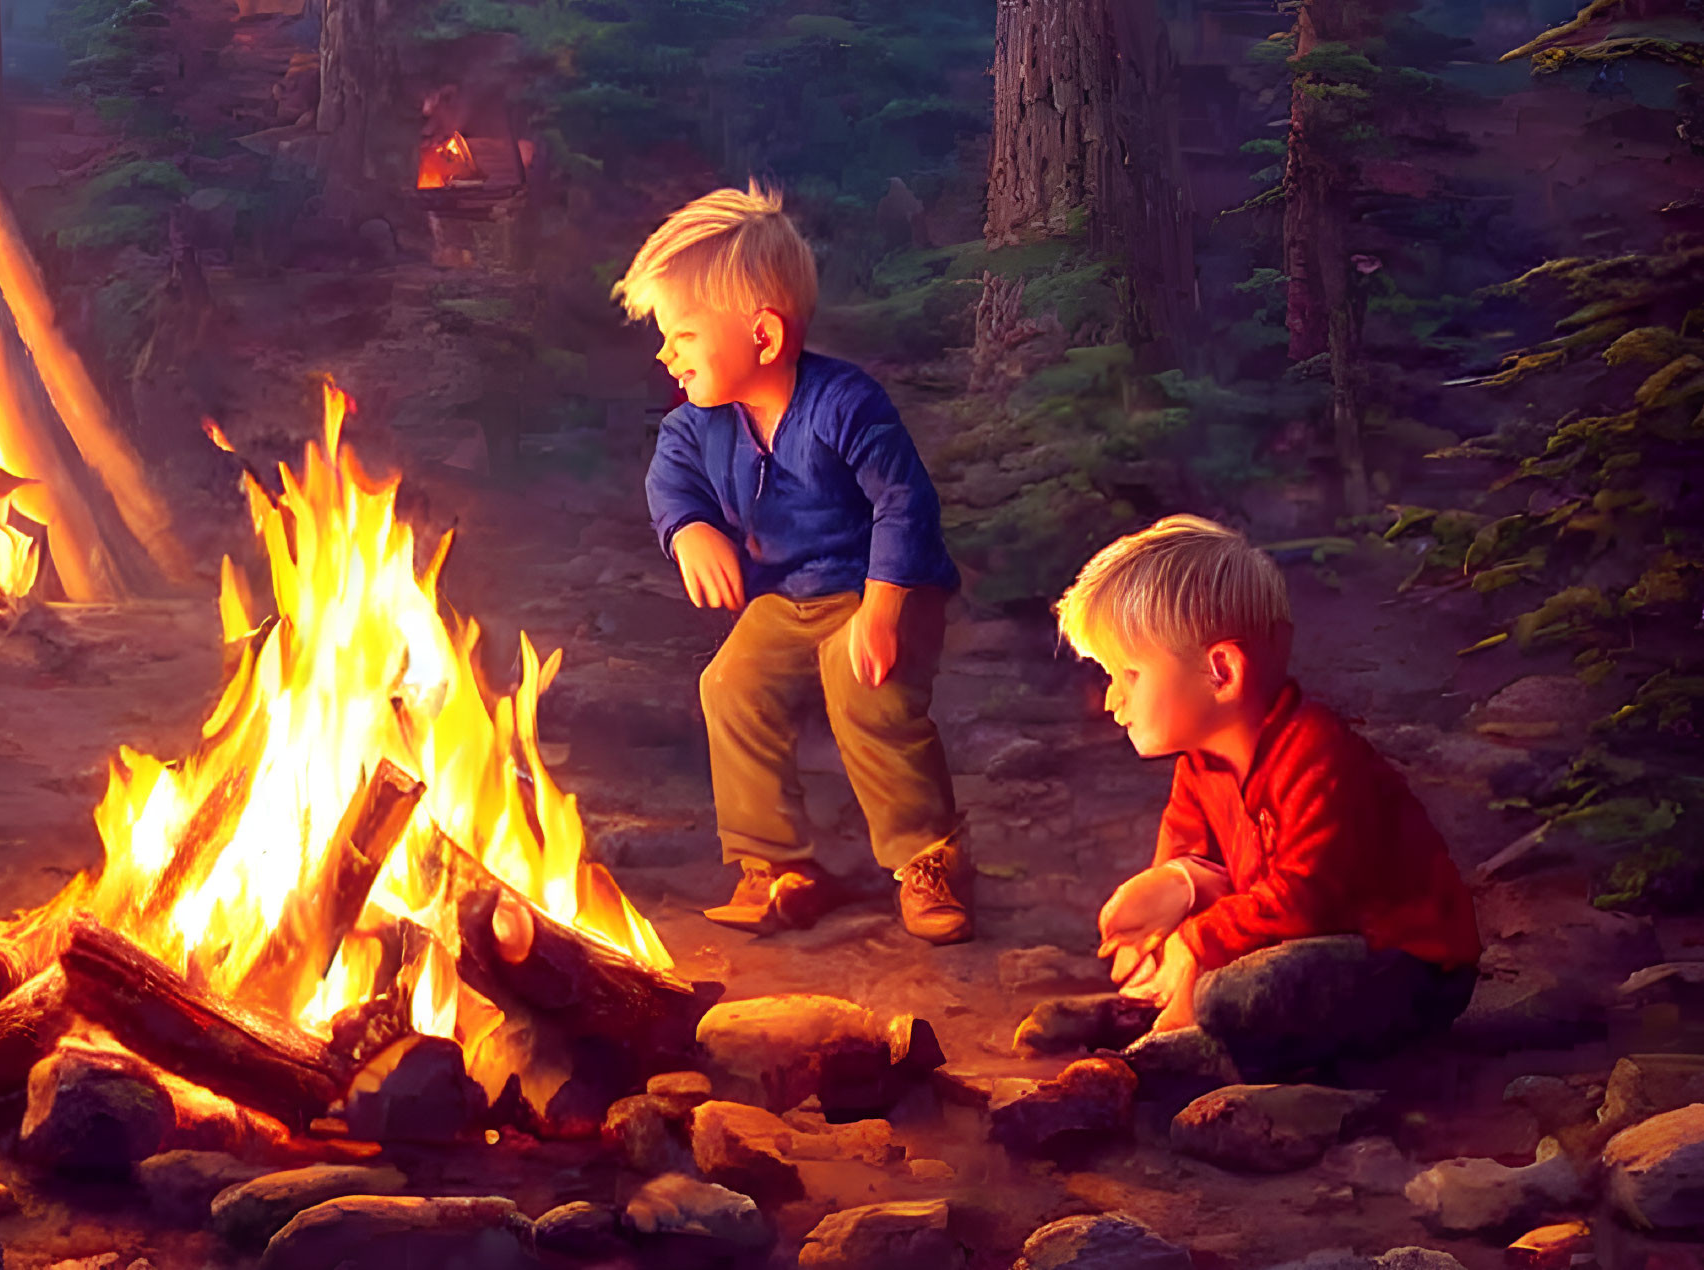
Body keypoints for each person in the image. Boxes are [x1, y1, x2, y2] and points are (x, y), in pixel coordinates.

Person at [616, 184, 971, 943]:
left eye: (681, 335)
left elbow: (903, 502)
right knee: (731, 685)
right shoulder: (696, 425)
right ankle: (774, 863)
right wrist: (689, 532)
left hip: (883, 585)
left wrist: (881, 611)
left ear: (764, 337)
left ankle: (925, 858)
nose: (664, 354)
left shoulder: (845, 404)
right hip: (787, 597)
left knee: (863, 684)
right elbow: (669, 482)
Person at [1059, 515, 1480, 1077]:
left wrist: (1193, 944)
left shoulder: (1318, 754)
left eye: (1129, 675)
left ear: (1221, 671)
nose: (1112, 700)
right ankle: (1164, 1010)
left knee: (1237, 994)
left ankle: (1205, 1053)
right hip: (1293, 939)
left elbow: (1305, 901)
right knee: (1205, 969)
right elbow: (1214, 873)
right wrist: (1176, 890)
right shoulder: (1199, 766)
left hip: (1403, 962)